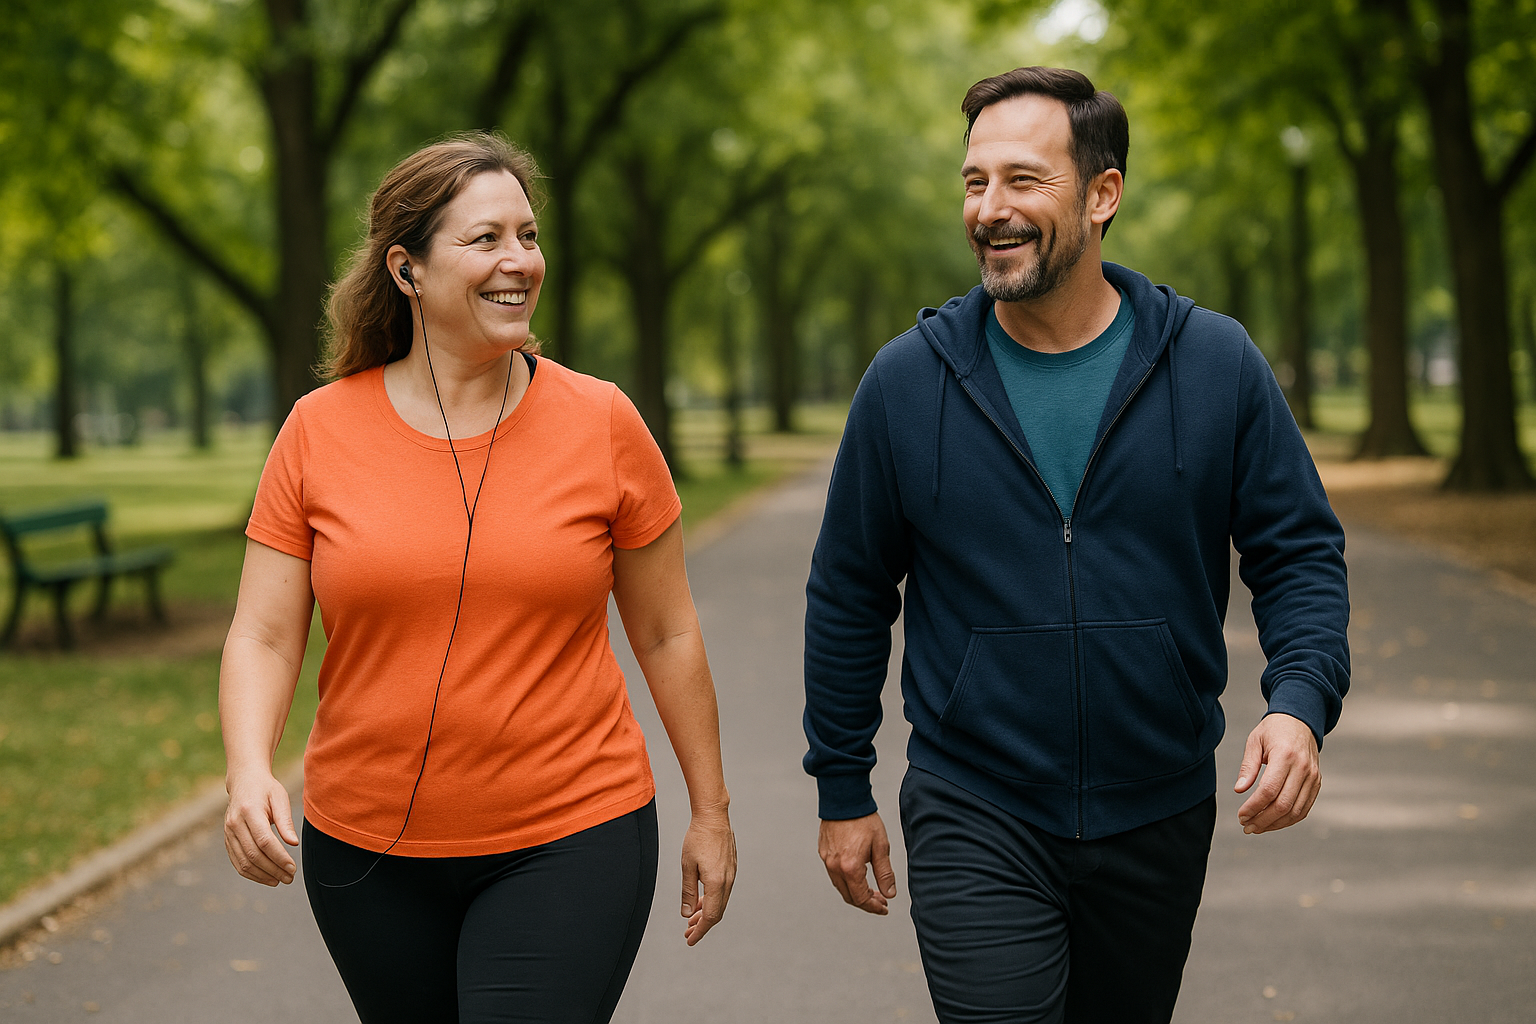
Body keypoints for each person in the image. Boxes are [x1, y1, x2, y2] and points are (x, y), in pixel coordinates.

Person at [803, 67, 1349, 1024]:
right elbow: (849, 591)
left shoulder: (1214, 363)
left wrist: (1298, 704)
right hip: (975, 799)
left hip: (1160, 806)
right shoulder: (906, 381)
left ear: (1103, 195)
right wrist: (842, 785)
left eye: (1024, 180)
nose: (990, 209)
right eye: (975, 182)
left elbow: (1298, 552)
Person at [219, 133, 735, 1024]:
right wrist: (247, 769)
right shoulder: (317, 431)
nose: (520, 262)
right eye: (486, 239)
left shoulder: (603, 421)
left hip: (572, 833)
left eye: (528, 237)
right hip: (365, 854)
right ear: (407, 270)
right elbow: (264, 633)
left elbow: (666, 631)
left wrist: (711, 810)